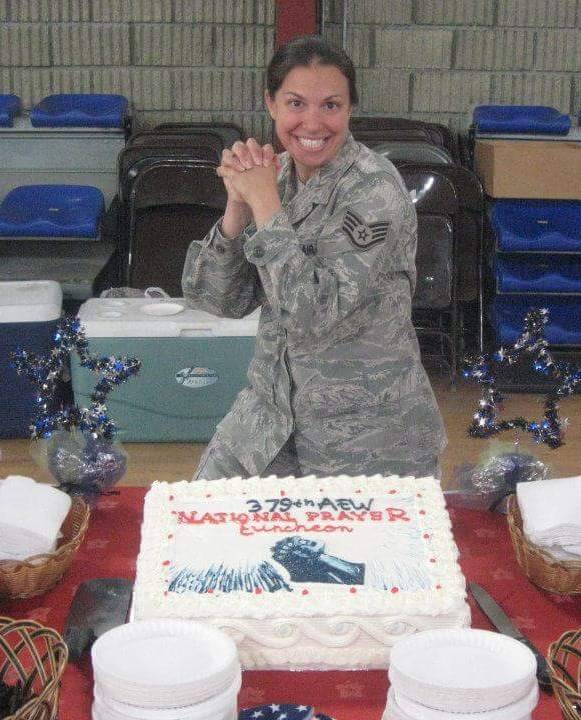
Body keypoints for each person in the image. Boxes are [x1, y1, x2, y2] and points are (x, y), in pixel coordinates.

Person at [182, 35, 447, 481]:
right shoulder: (276, 177)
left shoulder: (374, 189)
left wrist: (264, 204)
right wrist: (238, 207)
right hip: (270, 416)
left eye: (331, 105)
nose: (313, 122)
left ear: (350, 109)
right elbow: (216, 300)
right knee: (201, 511)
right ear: (271, 104)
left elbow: (314, 314)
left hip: (366, 434)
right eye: (296, 103)